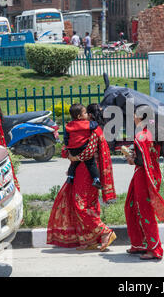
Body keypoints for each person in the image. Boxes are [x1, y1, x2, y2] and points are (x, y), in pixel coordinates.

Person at [47, 104, 117, 251]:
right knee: (88, 205)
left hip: (88, 171)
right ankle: (90, 240)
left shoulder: (94, 130)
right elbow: (65, 150)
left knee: (81, 205)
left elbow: (89, 152)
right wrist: (71, 157)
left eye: (87, 113)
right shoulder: (83, 128)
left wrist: (74, 157)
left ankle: (105, 231)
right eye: (85, 113)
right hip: (80, 170)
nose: (87, 116)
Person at [123, 111, 164, 260]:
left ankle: (154, 249)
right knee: (133, 207)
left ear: (139, 118)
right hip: (153, 174)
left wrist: (131, 159)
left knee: (145, 211)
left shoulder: (141, 136)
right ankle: (139, 244)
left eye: (134, 115)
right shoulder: (153, 133)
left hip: (143, 176)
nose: (133, 118)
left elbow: (140, 161)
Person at [63, 104, 101, 189]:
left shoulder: (69, 125)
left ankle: (70, 177)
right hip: (83, 147)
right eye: (86, 113)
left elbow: (66, 137)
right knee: (91, 164)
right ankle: (96, 179)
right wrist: (94, 120)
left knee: (74, 164)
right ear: (79, 116)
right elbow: (95, 125)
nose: (87, 114)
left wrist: (68, 147)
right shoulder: (86, 124)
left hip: (73, 148)